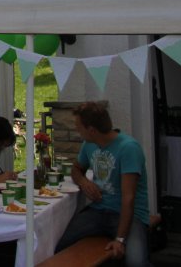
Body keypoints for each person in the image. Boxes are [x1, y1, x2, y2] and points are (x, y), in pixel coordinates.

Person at [55, 102, 150, 266]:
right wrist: (84, 182)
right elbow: (76, 169)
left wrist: (120, 239)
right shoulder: (89, 144)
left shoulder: (128, 148)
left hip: (129, 215)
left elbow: (128, 198)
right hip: (99, 210)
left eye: (79, 127)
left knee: (136, 262)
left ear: (91, 130)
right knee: (62, 246)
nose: (77, 131)